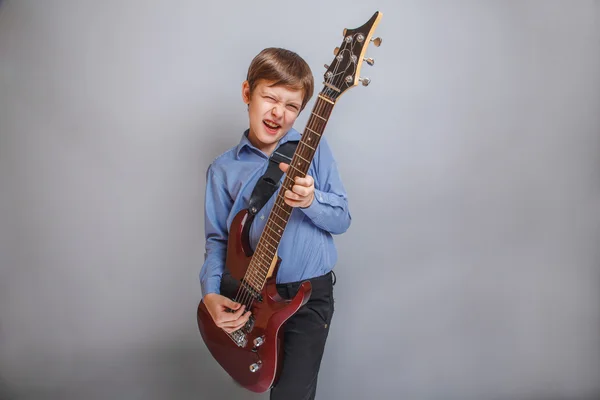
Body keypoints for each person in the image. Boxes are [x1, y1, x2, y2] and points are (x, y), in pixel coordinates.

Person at [199, 47, 351, 400]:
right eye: (270, 98)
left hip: (307, 297)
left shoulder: (314, 148)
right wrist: (209, 293)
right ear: (246, 93)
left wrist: (312, 202)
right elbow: (218, 241)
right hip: (249, 300)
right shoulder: (223, 169)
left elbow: (342, 218)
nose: (278, 112)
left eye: (292, 106)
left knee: (292, 395)